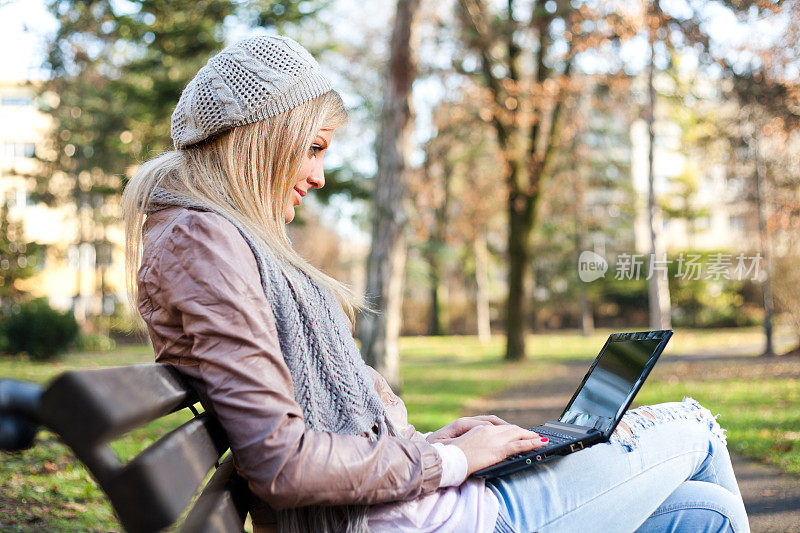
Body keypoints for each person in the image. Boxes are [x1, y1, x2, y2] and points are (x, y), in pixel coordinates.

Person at [121, 34, 749, 533]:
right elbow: (283, 461)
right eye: (311, 148)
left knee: (705, 510)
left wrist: (430, 442)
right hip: (418, 523)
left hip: (417, 509)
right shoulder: (200, 241)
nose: (317, 176)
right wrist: (451, 461)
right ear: (262, 141)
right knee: (693, 425)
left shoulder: (213, 239)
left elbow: (309, 429)